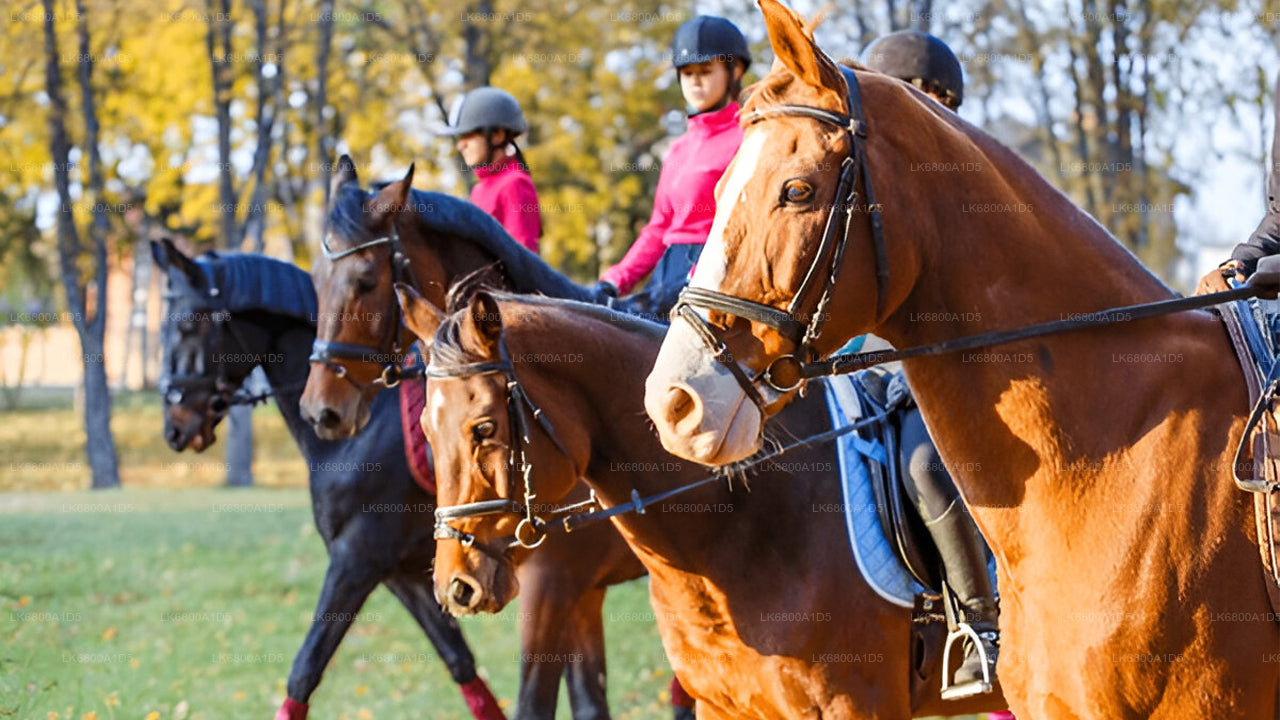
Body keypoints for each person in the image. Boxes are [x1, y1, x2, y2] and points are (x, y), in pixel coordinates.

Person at [862, 30, 1004, 703]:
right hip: (867, 376)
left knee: (923, 466)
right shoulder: (866, 191)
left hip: (948, 379)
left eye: (928, 99)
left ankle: (981, 626)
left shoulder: (968, 188)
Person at [594, 15, 750, 317]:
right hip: (667, 277)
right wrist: (616, 279)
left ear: (736, 70)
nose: (695, 81)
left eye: (705, 71)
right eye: (687, 72)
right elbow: (659, 228)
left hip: (718, 283)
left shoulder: (749, 137)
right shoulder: (678, 148)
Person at [440, 86, 541, 252]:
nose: (460, 145)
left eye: (468, 135)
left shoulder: (515, 183)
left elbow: (523, 259)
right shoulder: (479, 189)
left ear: (497, 135)